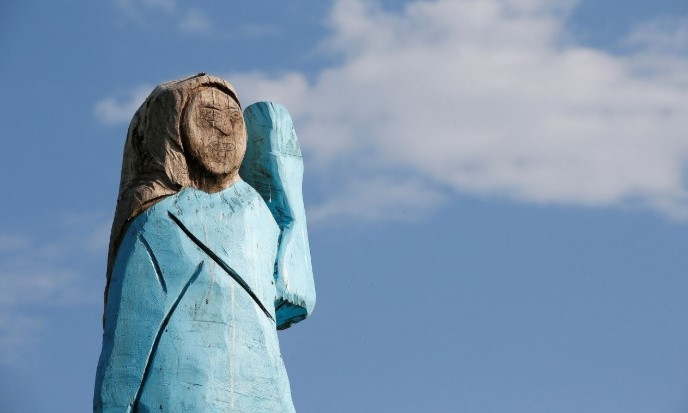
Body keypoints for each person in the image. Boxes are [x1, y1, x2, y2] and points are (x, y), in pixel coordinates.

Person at [94, 74, 315, 412]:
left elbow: (294, 297)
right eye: (209, 116)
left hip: (266, 393)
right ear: (174, 128)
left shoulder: (258, 213)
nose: (224, 129)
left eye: (234, 118)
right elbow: (129, 343)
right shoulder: (158, 222)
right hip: (177, 395)